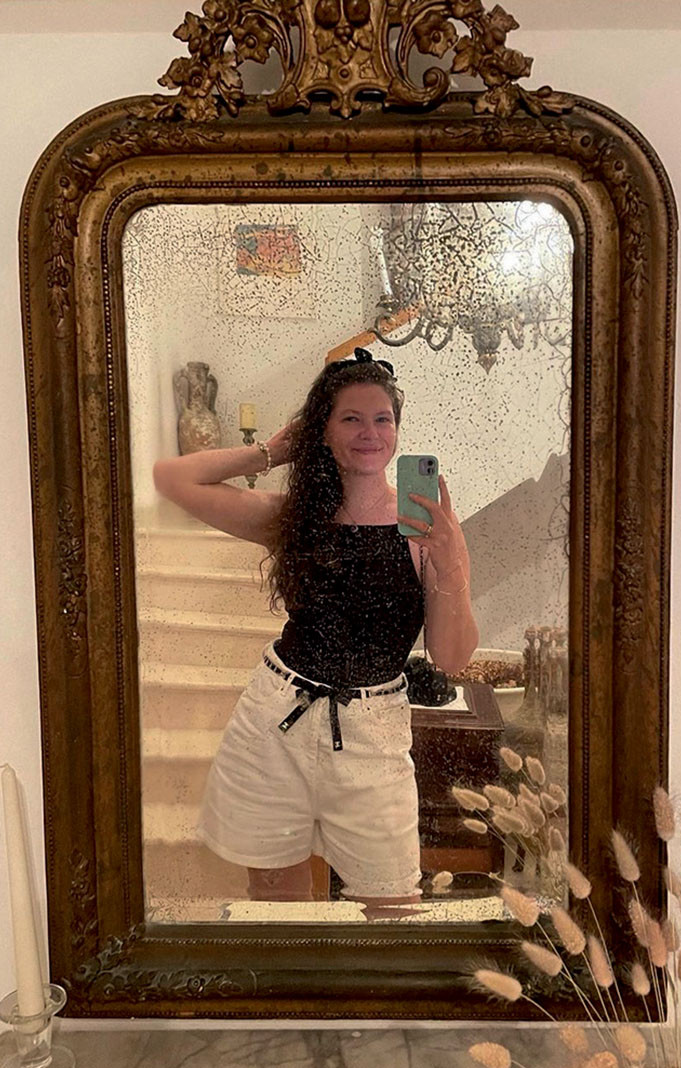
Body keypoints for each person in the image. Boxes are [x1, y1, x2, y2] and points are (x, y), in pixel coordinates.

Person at [152, 349, 478, 907]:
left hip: (374, 734)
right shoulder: (294, 516)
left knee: (392, 906)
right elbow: (171, 479)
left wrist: (449, 564)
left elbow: (452, 658)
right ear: (323, 431)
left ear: (397, 430)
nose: (369, 432)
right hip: (275, 721)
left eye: (382, 419)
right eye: (351, 418)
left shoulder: (429, 531)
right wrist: (272, 450)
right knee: (276, 900)